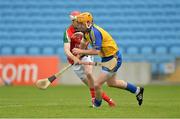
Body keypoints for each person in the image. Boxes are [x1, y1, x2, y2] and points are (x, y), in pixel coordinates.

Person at [72, 12, 144, 107]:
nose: (79, 25)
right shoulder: (86, 32)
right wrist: (78, 57)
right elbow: (84, 43)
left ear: (88, 23)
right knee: (112, 83)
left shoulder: (95, 33)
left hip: (113, 59)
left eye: (81, 23)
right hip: (106, 58)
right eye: (79, 23)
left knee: (97, 84)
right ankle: (137, 90)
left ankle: (97, 105)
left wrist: (80, 51)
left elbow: (96, 51)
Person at [63, 11, 116, 107]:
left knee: (89, 73)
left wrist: (80, 53)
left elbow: (87, 41)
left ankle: (94, 100)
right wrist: (74, 58)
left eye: (78, 21)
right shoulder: (67, 32)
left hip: (85, 54)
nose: (77, 22)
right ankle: (109, 100)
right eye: (75, 21)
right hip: (74, 59)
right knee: (90, 84)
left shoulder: (84, 28)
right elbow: (67, 50)